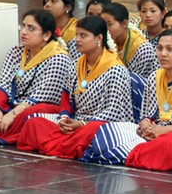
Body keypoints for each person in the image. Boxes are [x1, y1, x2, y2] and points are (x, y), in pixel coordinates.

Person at [82, 29, 172, 168]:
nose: (163, 54)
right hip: (156, 132)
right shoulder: (155, 77)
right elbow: (147, 114)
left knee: (168, 143)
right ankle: (136, 153)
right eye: (159, 48)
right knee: (112, 129)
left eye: (170, 49)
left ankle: (137, 155)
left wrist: (166, 130)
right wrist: (146, 125)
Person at [16, 16, 132, 159]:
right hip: (76, 122)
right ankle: (67, 146)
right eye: (77, 34)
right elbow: (66, 100)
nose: (77, 39)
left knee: (91, 130)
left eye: (83, 35)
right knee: (34, 122)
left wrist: (82, 123)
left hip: (100, 124)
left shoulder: (115, 69)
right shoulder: (76, 64)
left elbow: (115, 112)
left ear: (99, 38)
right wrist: (64, 119)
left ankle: (62, 145)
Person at [0, 10, 73, 145]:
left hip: (39, 106)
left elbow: (41, 97)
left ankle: (5, 131)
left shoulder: (58, 58)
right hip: (12, 105)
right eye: (23, 26)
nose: (24, 32)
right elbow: (3, 82)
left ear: (47, 35)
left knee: (32, 114)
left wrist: (12, 115)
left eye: (31, 28)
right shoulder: (17, 50)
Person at [101, 3, 157, 79]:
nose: (105, 29)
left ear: (124, 23)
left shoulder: (143, 49)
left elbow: (136, 82)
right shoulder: (101, 41)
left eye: (109, 24)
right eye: (103, 25)